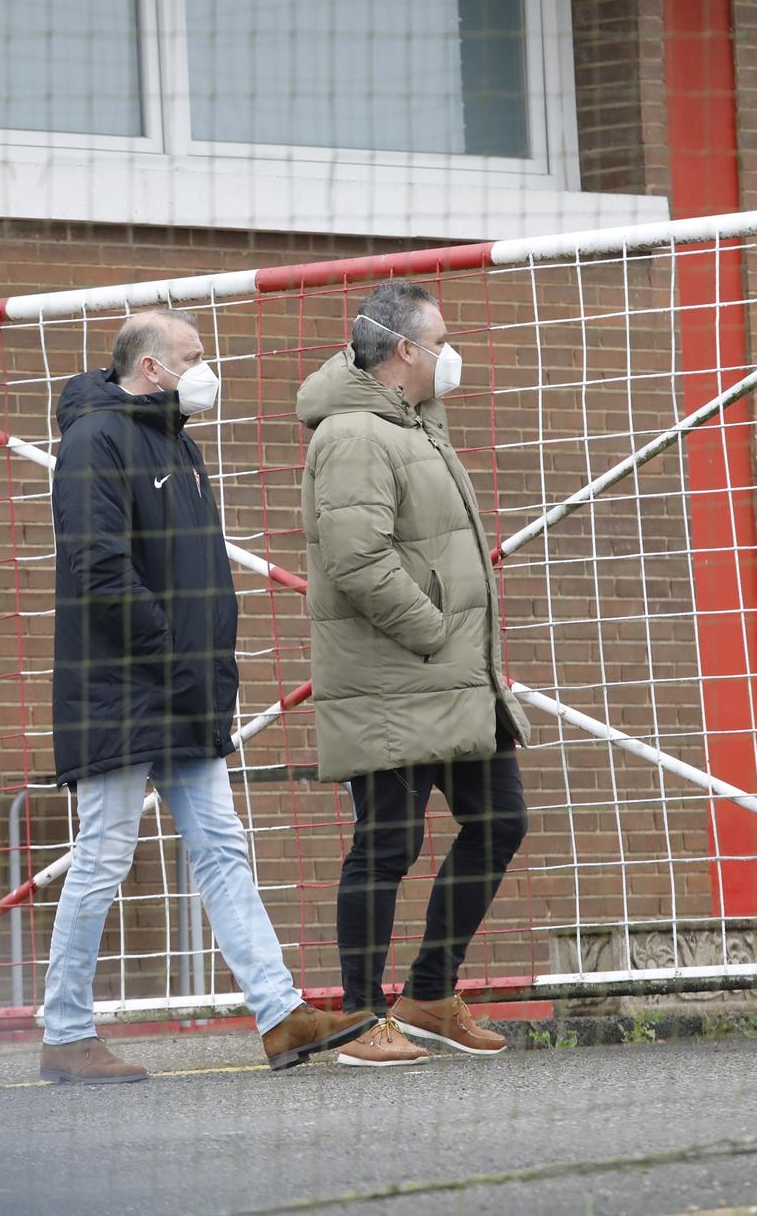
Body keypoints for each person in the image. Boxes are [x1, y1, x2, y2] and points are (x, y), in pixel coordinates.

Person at [41, 307, 374, 1084]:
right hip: (122, 696)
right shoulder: (96, 440)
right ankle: (65, 1030)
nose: (205, 366)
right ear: (152, 367)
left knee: (223, 847)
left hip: (184, 693)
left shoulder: (176, 443)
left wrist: (202, 670)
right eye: (193, 355)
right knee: (102, 857)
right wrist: (171, 653)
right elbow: (97, 568)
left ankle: (280, 1014)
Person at [296, 281, 532, 1068]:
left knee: (499, 820)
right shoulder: (357, 434)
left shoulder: (415, 423)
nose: (451, 352)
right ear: (405, 350)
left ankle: (429, 993)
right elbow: (357, 559)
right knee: (387, 844)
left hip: (455, 679)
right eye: (442, 338)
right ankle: (362, 1018)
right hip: (396, 679)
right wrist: (434, 630)